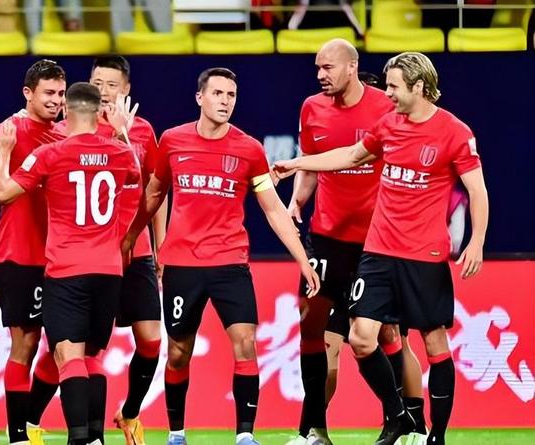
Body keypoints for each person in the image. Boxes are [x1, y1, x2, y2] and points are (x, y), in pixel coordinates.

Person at [273, 52, 489, 445]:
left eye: (393, 86)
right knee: (361, 337)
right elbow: (351, 155)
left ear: (418, 87)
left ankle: (435, 435)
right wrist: (299, 163)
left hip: (424, 255)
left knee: (433, 342)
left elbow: (477, 190)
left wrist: (476, 241)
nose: (386, 93)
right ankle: (398, 416)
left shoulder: (454, 132)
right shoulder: (388, 125)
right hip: (378, 251)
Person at [121, 67, 320, 445]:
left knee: (245, 341)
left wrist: (301, 258)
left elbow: (273, 209)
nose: (225, 101)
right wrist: (129, 238)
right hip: (183, 265)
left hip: (230, 263)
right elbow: (154, 194)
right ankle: (177, 433)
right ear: (200, 97)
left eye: (231, 95)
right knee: (178, 352)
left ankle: (244, 435)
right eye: (217, 93)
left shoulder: (249, 149)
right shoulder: (173, 141)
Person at [0, 82, 141, 445]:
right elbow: (136, 175)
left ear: (66, 111)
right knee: (93, 356)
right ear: (99, 112)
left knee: (68, 355)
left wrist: (4, 153)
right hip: (108, 271)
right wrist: (121, 131)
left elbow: (3, 192)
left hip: (66, 270)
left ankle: (79, 438)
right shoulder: (120, 153)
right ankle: (95, 438)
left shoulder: (50, 154)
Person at [282, 38, 403, 445]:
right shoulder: (311, 108)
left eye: (328, 67)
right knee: (311, 327)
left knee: (381, 335)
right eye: (317, 67)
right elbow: (312, 163)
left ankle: (402, 420)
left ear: (352, 66)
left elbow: (392, 163)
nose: (320, 75)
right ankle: (314, 430)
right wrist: (298, 200)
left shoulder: (385, 107)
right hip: (325, 238)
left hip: (374, 243)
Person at [0, 59, 67, 445]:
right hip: (19, 253)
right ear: (28, 93)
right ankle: (19, 437)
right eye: (49, 93)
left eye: (61, 93)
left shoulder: (65, 135)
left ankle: (30, 418)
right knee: (26, 343)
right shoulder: (11, 129)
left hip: (62, 257)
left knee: (66, 345)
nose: (56, 100)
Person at [88, 55, 167, 445]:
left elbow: (156, 188)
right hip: (95, 255)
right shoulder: (78, 128)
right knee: (91, 350)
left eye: (112, 85)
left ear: (127, 89)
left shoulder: (143, 130)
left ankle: (130, 413)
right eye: (97, 83)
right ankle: (89, 434)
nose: (104, 92)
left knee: (151, 340)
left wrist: (161, 245)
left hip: (137, 252)